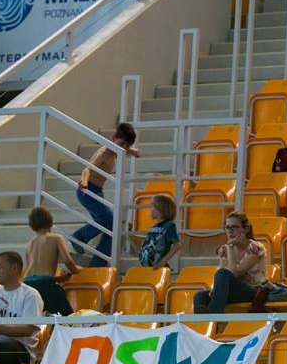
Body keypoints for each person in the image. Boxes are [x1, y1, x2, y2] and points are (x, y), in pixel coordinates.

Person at [72, 122, 140, 267]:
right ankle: (79, 236)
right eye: (121, 144)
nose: (123, 148)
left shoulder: (117, 152)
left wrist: (132, 151)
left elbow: (124, 150)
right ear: (114, 138)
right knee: (108, 219)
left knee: (112, 227)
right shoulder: (104, 153)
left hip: (97, 191)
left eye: (126, 146)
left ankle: (98, 263)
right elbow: (88, 169)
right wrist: (83, 181)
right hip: (87, 190)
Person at [194, 211, 269, 314]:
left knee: (223, 273)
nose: (230, 231)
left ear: (246, 229)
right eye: (227, 227)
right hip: (232, 290)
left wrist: (230, 246)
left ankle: (213, 317)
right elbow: (221, 275)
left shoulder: (255, 248)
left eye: (234, 227)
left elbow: (236, 272)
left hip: (253, 291)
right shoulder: (225, 249)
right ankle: (202, 327)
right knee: (200, 295)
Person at [24, 206, 79, 316]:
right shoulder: (56, 238)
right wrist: (77, 271)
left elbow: (36, 274)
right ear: (50, 222)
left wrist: (59, 279)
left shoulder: (29, 245)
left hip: (27, 282)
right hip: (46, 283)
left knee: (34, 317)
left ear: (32, 226)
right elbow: (68, 261)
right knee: (67, 318)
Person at [138, 194, 181, 268]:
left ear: (160, 210)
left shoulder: (169, 226)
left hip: (158, 266)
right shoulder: (153, 227)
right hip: (147, 266)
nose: (150, 209)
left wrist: (163, 261)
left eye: (153, 207)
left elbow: (177, 245)